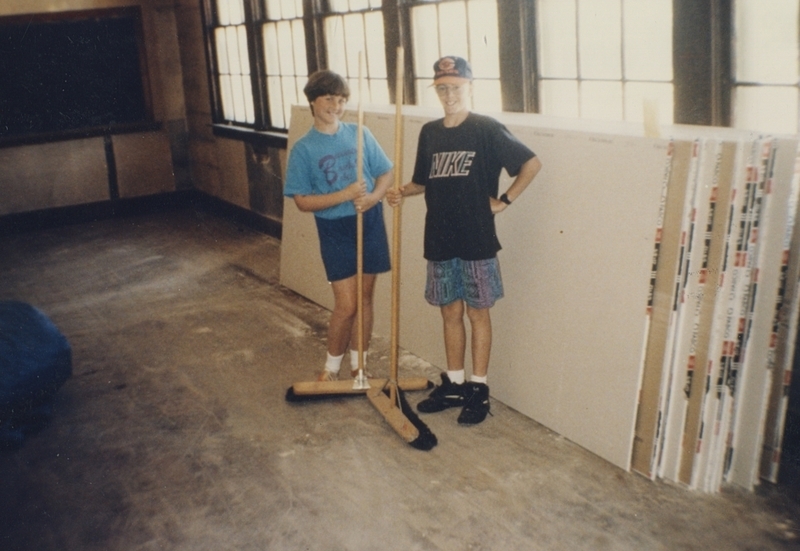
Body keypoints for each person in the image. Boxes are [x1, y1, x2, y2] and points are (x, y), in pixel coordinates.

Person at [387, 56, 542, 425]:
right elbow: (424, 180)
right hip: (439, 236)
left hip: (476, 237)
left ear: (469, 87)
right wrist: (401, 192)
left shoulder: (486, 128)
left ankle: (478, 388)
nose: (448, 94)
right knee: (449, 311)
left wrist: (504, 201)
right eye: (442, 88)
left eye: (455, 87)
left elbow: (531, 164)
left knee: (478, 312)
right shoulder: (430, 132)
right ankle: (454, 382)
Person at [284, 70, 394, 382]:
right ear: (313, 102)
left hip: (368, 221)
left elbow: (385, 173)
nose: (336, 104)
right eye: (329, 98)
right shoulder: (304, 149)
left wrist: (373, 198)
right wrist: (343, 195)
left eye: (342, 99)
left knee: (366, 299)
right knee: (347, 304)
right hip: (334, 228)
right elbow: (302, 201)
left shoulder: (359, 133)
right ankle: (331, 368)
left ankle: (359, 365)